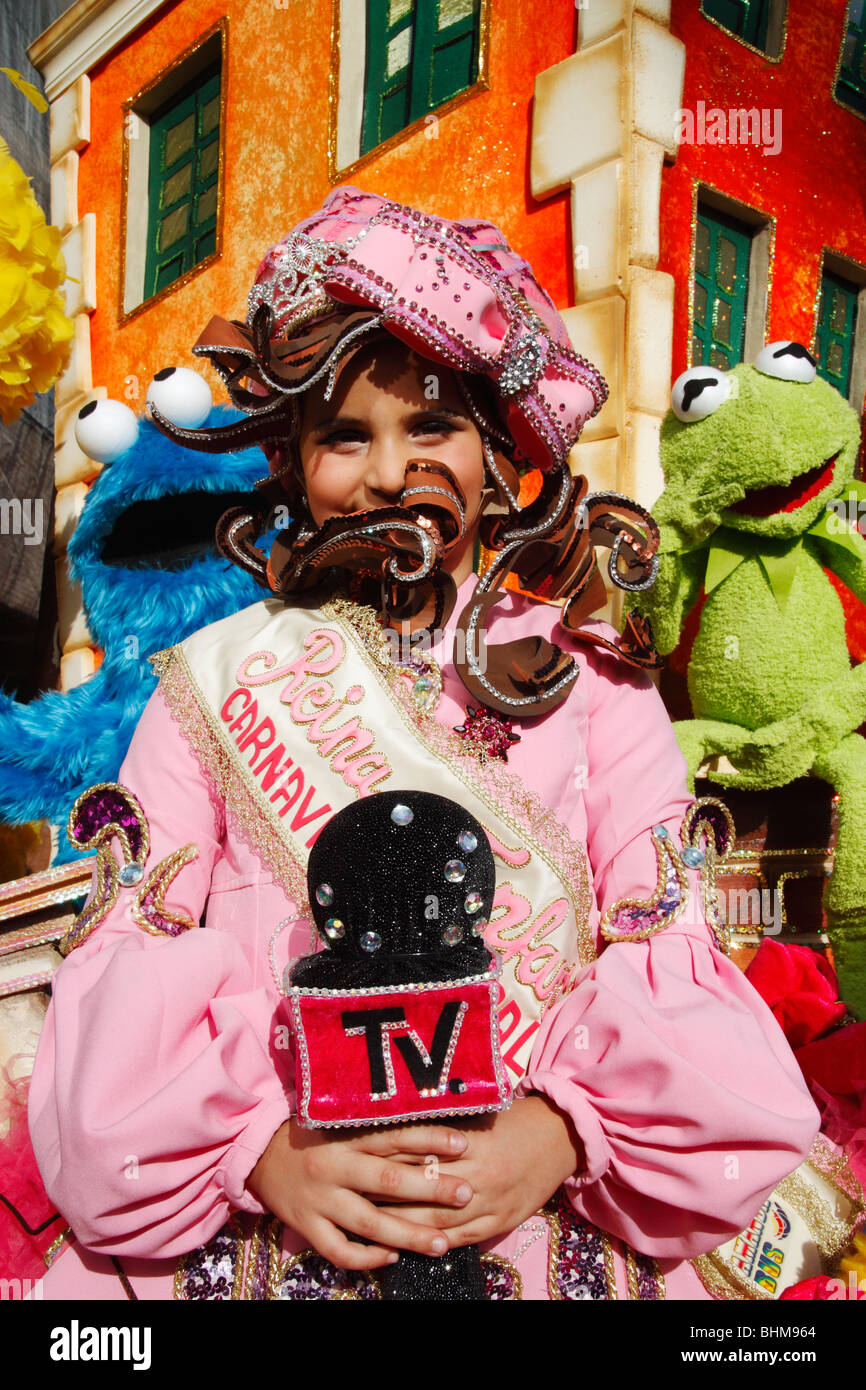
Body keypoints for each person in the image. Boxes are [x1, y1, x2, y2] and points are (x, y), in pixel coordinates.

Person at [27, 188, 819, 1301]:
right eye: (344, 435)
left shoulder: (591, 678)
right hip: (274, 1201)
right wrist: (257, 1150)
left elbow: (658, 931)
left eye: (431, 425)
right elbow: (133, 948)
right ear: (290, 462)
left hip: (545, 1197)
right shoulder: (210, 680)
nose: (390, 471)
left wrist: (558, 1136)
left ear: (500, 454)